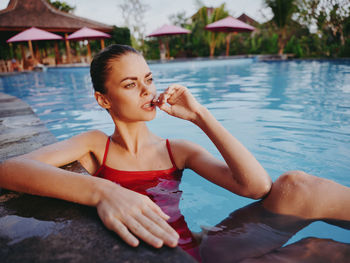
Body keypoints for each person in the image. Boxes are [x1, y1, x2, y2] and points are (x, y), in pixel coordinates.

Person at [0, 45, 349, 262]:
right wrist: (103, 191)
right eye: (130, 84)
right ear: (103, 100)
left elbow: (257, 187)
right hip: (170, 255)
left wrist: (200, 115)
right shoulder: (96, 145)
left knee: (297, 186)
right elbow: (10, 168)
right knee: (322, 250)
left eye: (148, 79)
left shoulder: (175, 150)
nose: (146, 90)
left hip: (201, 246)